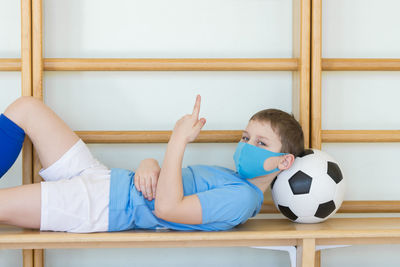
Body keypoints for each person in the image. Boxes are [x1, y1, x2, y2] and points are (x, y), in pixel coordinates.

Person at [0, 95, 304, 232]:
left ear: (284, 161)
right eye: (245, 137)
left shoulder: (241, 199)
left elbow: (167, 208)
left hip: (98, 207)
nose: (246, 147)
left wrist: (178, 140)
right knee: (27, 108)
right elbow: (166, 183)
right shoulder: (232, 179)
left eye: (261, 144)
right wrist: (148, 164)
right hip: (103, 178)